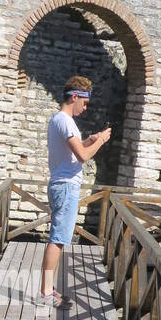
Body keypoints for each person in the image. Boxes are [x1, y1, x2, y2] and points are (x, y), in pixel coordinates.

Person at [39, 76, 111, 307]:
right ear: (75, 97)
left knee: (58, 239)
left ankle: (48, 289)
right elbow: (82, 156)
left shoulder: (57, 120)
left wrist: (89, 139)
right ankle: (45, 293)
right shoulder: (66, 121)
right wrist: (100, 142)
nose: (85, 107)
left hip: (61, 184)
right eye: (85, 103)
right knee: (58, 240)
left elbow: (73, 152)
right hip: (66, 186)